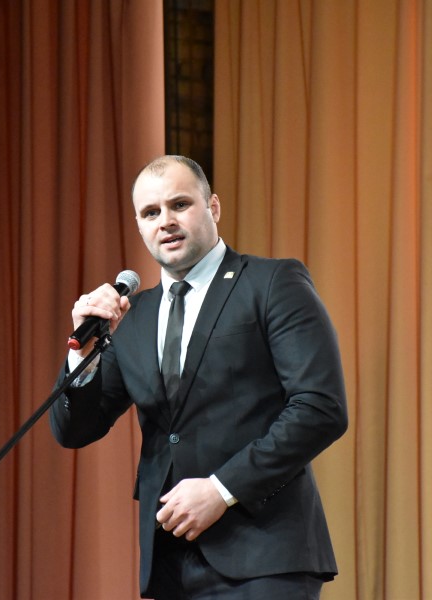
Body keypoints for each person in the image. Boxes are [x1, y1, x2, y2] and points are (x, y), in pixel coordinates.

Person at [50, 155, 348, 599]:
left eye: (180, 204)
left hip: (265, 557)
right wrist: (81, 351)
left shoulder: (272, 283)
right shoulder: (134, 317)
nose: (166, 221)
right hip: (172, 565)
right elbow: (75, 429)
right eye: (151, 212)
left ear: (213, 207)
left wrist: (221, 489)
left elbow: (321, 408)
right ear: (139, 225)